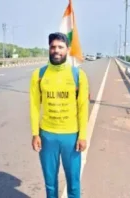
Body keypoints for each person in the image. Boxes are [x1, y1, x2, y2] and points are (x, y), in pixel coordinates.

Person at [29, 32, 89, 198]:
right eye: (53, 47)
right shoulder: (38, 75)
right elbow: (34, 106)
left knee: (73, 183)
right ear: (49, 49)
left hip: (71, 137)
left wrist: (82, 136)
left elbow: (83, 107)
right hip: (47, 136)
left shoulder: (78, 75)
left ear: (68, 49)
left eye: (60, 47)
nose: (56, 50)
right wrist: (35, 134)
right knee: (50, 184)